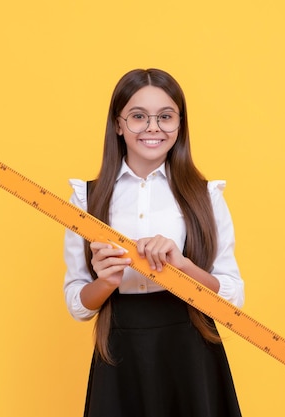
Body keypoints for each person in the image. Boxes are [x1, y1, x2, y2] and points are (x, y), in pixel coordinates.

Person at [63, 68, 245, 417]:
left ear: (180, 124)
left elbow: (232, 295)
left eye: (165, 117)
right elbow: (78, 303)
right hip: (120, 353)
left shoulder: (206, 196)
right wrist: (106, 281)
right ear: (118, 124)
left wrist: (183, 266)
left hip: (192, 353)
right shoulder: (86, 199)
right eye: (138, 117)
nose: (152, 127)